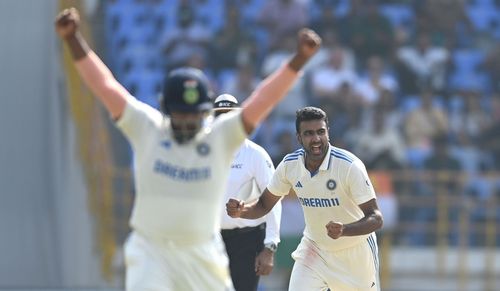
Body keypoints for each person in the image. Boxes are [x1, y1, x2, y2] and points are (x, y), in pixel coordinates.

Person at [54, 7, 321, 291]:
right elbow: (106, 87)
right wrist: (73, 39)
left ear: (204, 113)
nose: (187, 121)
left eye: (194, 114)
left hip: (203, 252)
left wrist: (299, 59)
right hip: (151, 252)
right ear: (167, 110)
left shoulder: (219, 138)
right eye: (181, 114)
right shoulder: (148, 129)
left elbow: (263, 100)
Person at [227, 107, 384, 291]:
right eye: (309, 134)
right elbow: (264, 204)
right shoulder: (290, 165)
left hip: (355, 253)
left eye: (320, 132)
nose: (316, 139)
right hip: (315, 249)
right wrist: (242, 210)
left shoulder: (349, 166)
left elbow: (376, 218)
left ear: (328, 133)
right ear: (299, 138)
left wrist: (344, 230)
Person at [213, 94, 281, 291]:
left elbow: (274, 200)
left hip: (247, 240)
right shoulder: (203, 153)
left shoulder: (255, 155)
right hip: (212, 240)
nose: (224, 120)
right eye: (219, 115)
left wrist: (269, 247)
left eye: (229, 115)